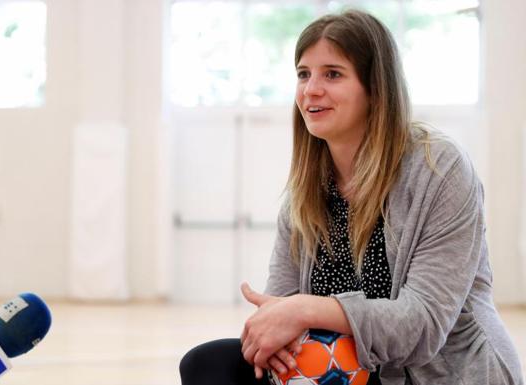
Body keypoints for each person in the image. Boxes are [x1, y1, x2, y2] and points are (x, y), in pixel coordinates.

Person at [179, 9, 524, 385]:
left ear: (375, 90)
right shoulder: (304, 193)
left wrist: (310, 310)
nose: (311, 89)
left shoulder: (438, 168)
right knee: (206, 364)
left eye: (332, 74)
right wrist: (270, 336)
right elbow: (281, 309)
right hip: (340, 368)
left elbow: (423, 325)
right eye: (303, 74)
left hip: (438, 373)